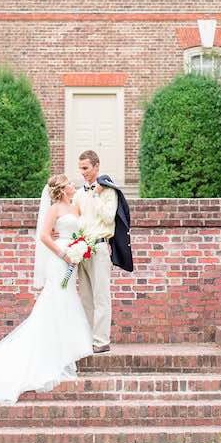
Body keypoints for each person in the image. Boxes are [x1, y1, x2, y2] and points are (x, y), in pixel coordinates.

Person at [0, 174, 93, 404]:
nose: (73, 185)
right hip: (60, 259)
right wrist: (63, 253)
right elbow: (44, 236)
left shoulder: (76, 206)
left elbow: (82, 230)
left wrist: (81, 247)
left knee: (68, 299)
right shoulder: (55, 209)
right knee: (56, 299)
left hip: (73, 258)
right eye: (69, 183)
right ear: (62, 188)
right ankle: (51, 349)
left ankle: (62, 347)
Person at [74, 150, 133, 354]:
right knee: (85, 297)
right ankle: (87, 338)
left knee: (101, 297)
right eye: (80, 168)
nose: (82, 172)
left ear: (96, 166)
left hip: (99, 248)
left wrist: (97, 194)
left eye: (85, 168)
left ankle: (101, 341)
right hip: (81, 250)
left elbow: (109, 218)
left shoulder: (109, 192)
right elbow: (75, 220)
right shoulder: (78, 193)